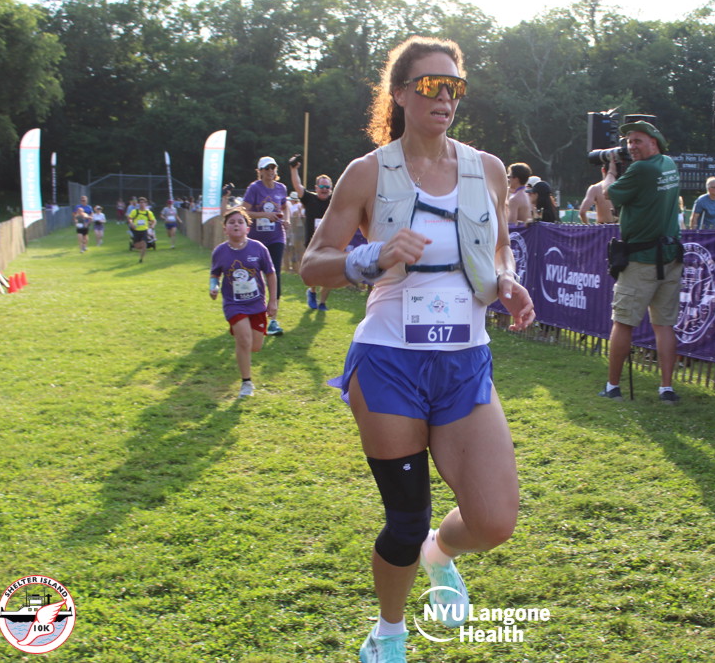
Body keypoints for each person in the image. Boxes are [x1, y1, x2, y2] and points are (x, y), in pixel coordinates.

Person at [299, 36, 534, 663]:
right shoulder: (368, 172)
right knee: (405, 517)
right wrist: (371, 256)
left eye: (454, 86)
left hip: (465, 360)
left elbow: (500, 247)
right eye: (431, 85)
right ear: (400, 93)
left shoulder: (486, 168)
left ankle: (441, 552)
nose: (444, 97)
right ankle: (389, 632)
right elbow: (313, 265)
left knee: (494, 521)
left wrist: (506, 281)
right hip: (389, 362)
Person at [598, 120, 683, 404]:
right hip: (670, 257)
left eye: (638, 141)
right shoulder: (668, 164)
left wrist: (611, 172)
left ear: (653, 142)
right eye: (629, 142)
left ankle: (612, 386)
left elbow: (608, 192)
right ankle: (666, 388)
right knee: (664, 325)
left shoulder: (641, 169)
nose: (631, 147)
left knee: (623, 322)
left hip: (642, 260)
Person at [209, 207, 277, 398]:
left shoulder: (258, 248)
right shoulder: (220, 252)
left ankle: (242, 347)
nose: (236, 225)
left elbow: (271, 274)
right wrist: (213, 287)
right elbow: (214, 274)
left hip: (256, 303)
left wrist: (273, 301)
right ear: (225, 229)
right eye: (231, 222)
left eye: (240, 222)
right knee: (244, 340)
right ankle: (246, 383)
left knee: (255, 346)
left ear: (248, 228)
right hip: (234, 304)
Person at [242, 156, 289, 335]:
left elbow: (285, 207)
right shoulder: (254, 188)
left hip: (276, 237)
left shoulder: (281, 188)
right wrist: (263, 215)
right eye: (266, 168)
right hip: (256, 239)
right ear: (260, 171)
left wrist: (286, 219)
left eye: (272, 168)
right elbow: (244, 211)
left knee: (274, 275)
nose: (270, 171)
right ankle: (252, 313)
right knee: (254, 275)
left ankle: (273, 320)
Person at [289, 156, 336, 310]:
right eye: (321, 186)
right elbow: (297, 186)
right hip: (312, 243)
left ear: (331, 189)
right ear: (316, 188)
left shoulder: (334, 201)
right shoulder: (310, 199)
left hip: (330, 243)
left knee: (329, 274)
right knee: (314, 273)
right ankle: (312, 292)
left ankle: (322, 303)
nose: (324, 189)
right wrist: (294, 169)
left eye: (327, 187)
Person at [127, 197, 155, 263]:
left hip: (144, 230)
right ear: (138, 204)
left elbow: (153, 220)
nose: (142, 204)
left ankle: (141, 259)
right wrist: (131, 223)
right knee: (137, 246)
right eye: (140, 203)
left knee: (144, 244)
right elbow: (129, 218)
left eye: (143, 202)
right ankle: (140, 249)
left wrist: (152, 225)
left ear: (146, 203)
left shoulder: (148, 212)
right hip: (136, 230)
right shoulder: (135, 211)